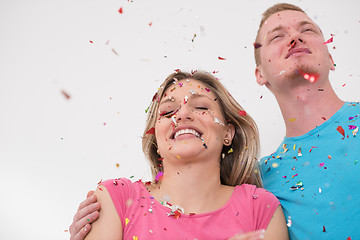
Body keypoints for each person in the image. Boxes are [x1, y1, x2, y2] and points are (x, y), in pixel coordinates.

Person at [69, 70, 289, 239]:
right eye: (167, 111)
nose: (182, 114)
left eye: (201, 107)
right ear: (155, 137)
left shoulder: (260, 208)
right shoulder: (116, 198)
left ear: (228, 134)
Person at [253, 3, 360, 240]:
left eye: (307, 30)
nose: (294, 37)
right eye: (277, 36)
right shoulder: (259, 181)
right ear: (260, 74)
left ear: (330, 58)